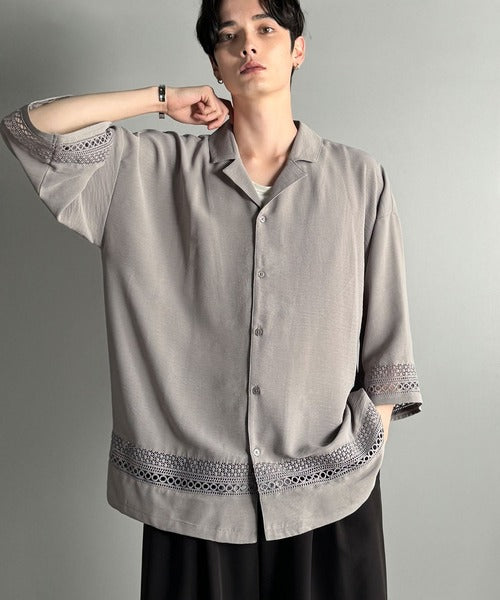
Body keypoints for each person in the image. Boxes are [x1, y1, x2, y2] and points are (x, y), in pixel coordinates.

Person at [0, 0, 423, 598]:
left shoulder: (359, 179)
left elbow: (388, 349)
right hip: (193, 510)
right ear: (216, 65)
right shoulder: (146, 169)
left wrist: (361, 454)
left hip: (332, 500)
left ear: (298, 50)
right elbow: (31, 130)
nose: (248, 45)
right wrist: (160, 98)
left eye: (266, 29)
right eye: (229, 36)